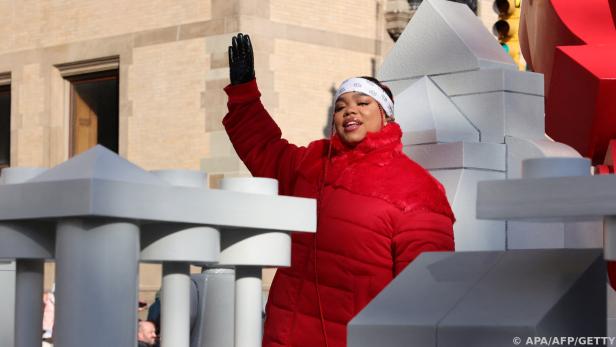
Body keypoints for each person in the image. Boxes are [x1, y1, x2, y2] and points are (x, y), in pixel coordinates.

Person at [224, 33, 455, 347]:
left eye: (362, 103)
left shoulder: (417, 189)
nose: (350, 111)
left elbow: (426, 292)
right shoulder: (312, 163)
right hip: (285, 335)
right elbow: (264, 148)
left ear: (386, 117)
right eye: (341, 106)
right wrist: (244, 94)